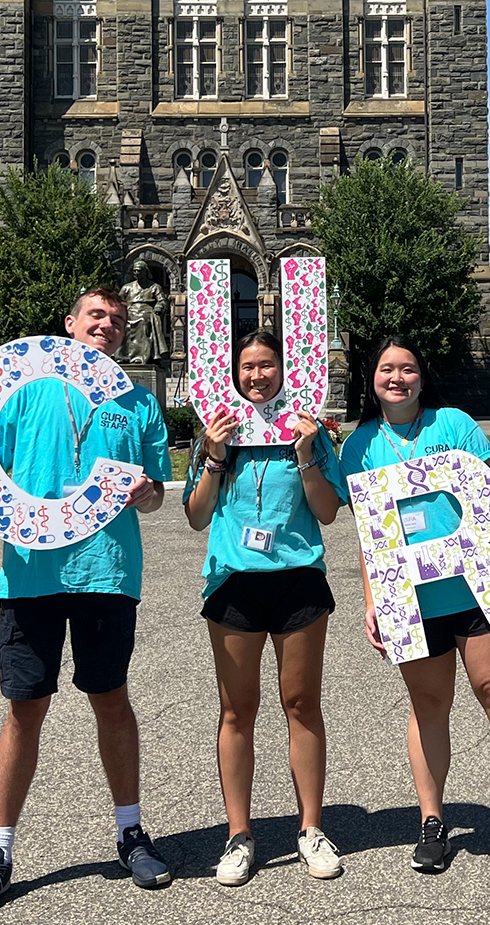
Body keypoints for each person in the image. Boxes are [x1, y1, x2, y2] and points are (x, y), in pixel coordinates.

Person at [0, 287, 175, 919]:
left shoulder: (139, 402)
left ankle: (130, 833)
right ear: (69, 325)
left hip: (107, 572)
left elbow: (155, 496)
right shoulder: (23, 389)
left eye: (118, 320)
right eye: (97, 316)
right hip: (31, 574)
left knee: (111, 702)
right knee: (24, 711)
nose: (109, 327)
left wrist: (147, 492)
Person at [340, 336, 490, 876]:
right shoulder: (359, 445)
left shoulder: (455, 426)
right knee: (428, 705)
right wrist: (372, 599)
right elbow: (368, 534)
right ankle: (432, 819)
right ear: (371, 378)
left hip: (475, 584)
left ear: (423, 376)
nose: (397, 378)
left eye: (408, 369)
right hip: (407, 594)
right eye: (386, 369)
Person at [183, 331, 345, 886]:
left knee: (301, 703)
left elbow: (327, 513)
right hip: (234, 582)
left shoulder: (310, 430)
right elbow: (196, 517)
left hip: (297, 579)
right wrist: (213, 457)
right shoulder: (215, 430)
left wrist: (305, 458)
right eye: (248, 367)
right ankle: (239, 835)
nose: (257, 376)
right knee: (237, 710)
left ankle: (311, 828)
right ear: (234, 373)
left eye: (267, 365)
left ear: (284, 370)